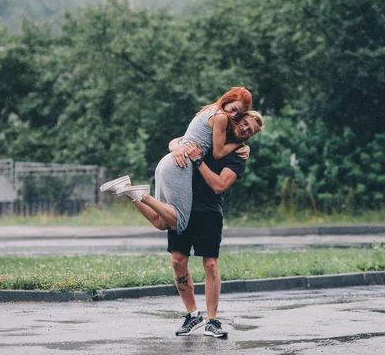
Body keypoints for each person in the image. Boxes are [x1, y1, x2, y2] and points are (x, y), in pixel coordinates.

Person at [100, 87, 253, 233]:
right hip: (180, 165)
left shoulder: (209, 111)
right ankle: (143, 195)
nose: (233, 115)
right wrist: (240, 143)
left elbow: (185, 138)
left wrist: (174, 144)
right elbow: (218, 153)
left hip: (168, 162)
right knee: (179, 222)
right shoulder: (221, 117)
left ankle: (128, 189)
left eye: (238, 114)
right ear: (227, 100)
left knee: (161, 222)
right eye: (233, 109)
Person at [168, 111, 264, 338]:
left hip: (209, 210)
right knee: (177, 261)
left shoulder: (238, 155)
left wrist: (199, 161)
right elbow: (176, 141)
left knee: (210, 264)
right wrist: (176, 148)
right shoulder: (211, 131)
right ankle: (193, 315)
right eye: (244, 123)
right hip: (182, 204)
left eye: (250, 131)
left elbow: (219, 185)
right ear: (238, 119)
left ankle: (212, 320)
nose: (245, 129)